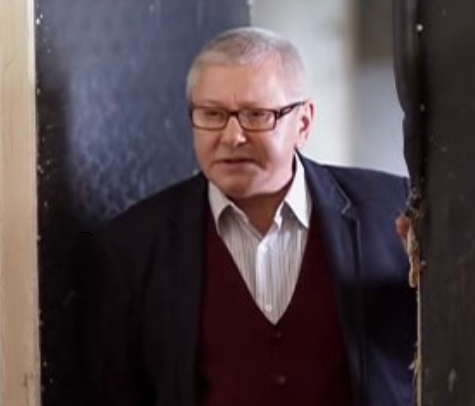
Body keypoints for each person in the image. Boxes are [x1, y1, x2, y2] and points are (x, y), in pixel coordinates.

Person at [80, 26, 416, 406]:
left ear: (303, 123)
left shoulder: (392, 211)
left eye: (257, 115)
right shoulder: (134, 246)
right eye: (212, 114)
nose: (232, 137)